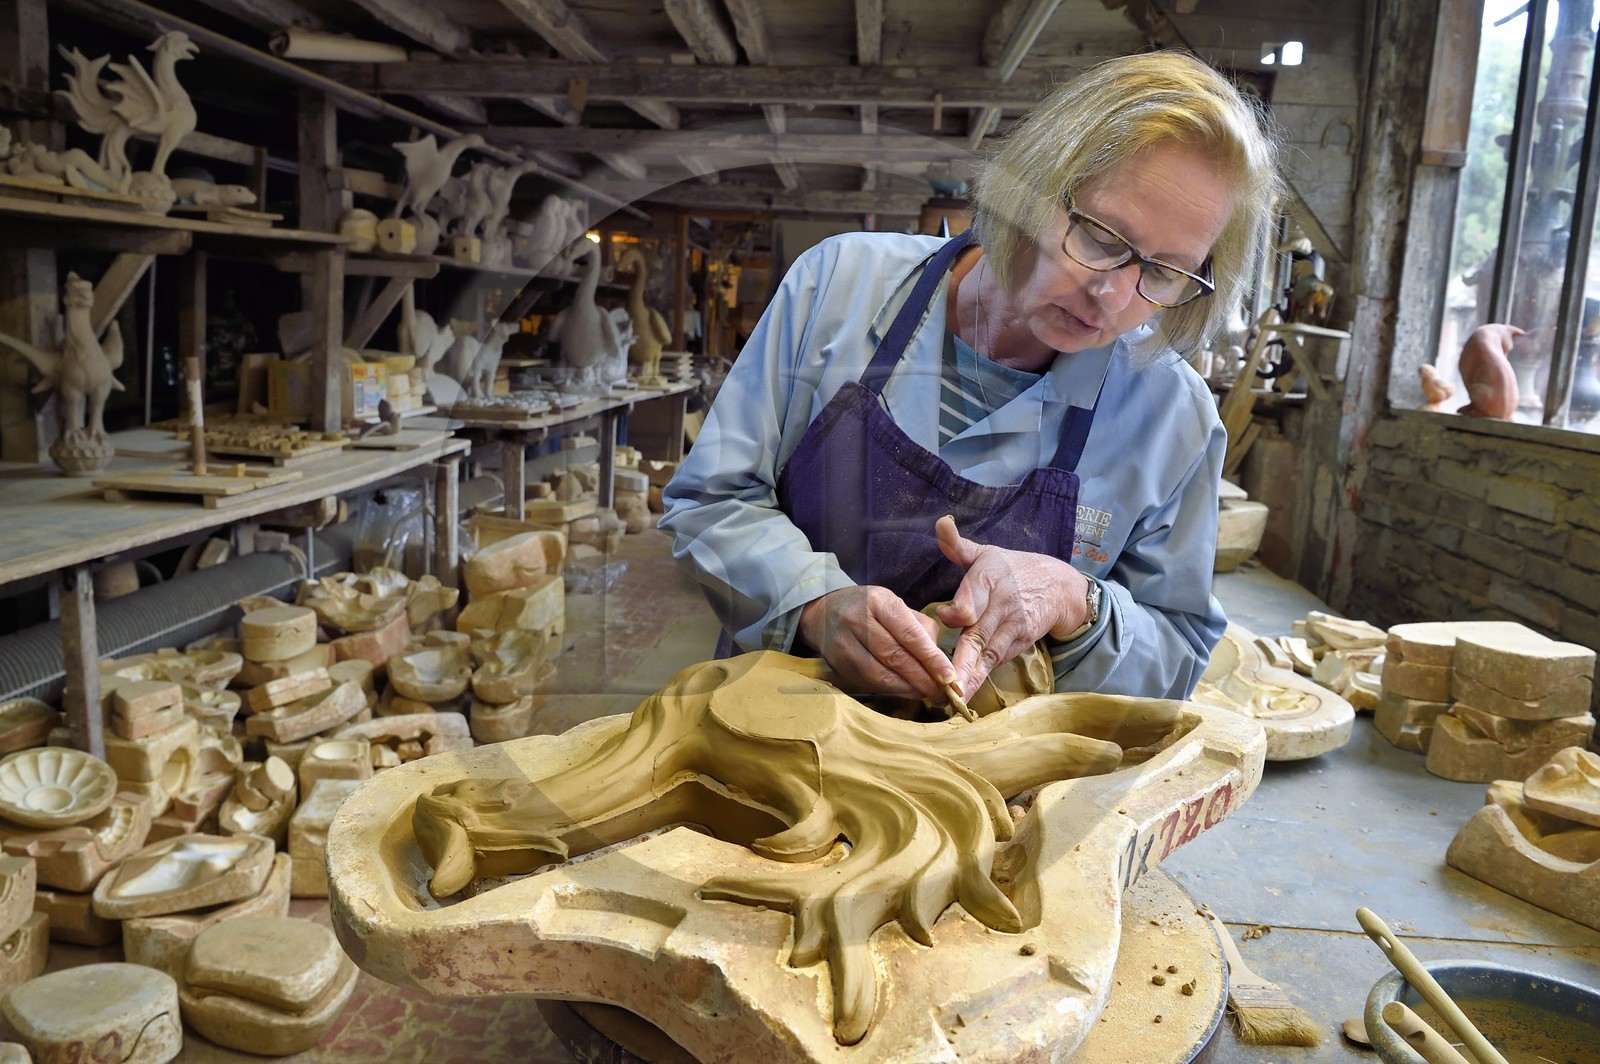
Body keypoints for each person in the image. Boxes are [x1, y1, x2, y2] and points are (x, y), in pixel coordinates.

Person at [660, 51, 1284, 707]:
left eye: (1164, 272)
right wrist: (811, 601)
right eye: (1102, 236)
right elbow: (711, 501)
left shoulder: (1171, 418)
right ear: (1031, 186)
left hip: (996, 791)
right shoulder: (836, 285)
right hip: (772, 739)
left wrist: (1080, 603)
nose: (1112, 293)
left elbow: (1179, 653)